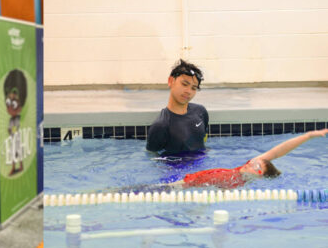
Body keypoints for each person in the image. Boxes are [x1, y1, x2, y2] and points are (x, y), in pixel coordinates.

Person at [137, 129, 328, 192]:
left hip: (187, 189)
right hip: (183, 183)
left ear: (260, 178)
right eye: (254, 161)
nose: (251, 164)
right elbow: (278, 151)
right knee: (140, 190)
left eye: (256, 167)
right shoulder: (239, 172)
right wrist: (310, 135)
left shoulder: (242, 185)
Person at [146, 59, 208, 155]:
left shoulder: (200, 112)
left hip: (202, 165)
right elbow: (153, 158)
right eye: (184, 84)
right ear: (171, 81)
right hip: (177, 168)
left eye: (193, 88)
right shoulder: (161, 126)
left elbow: (203, 141)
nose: (188, 91)